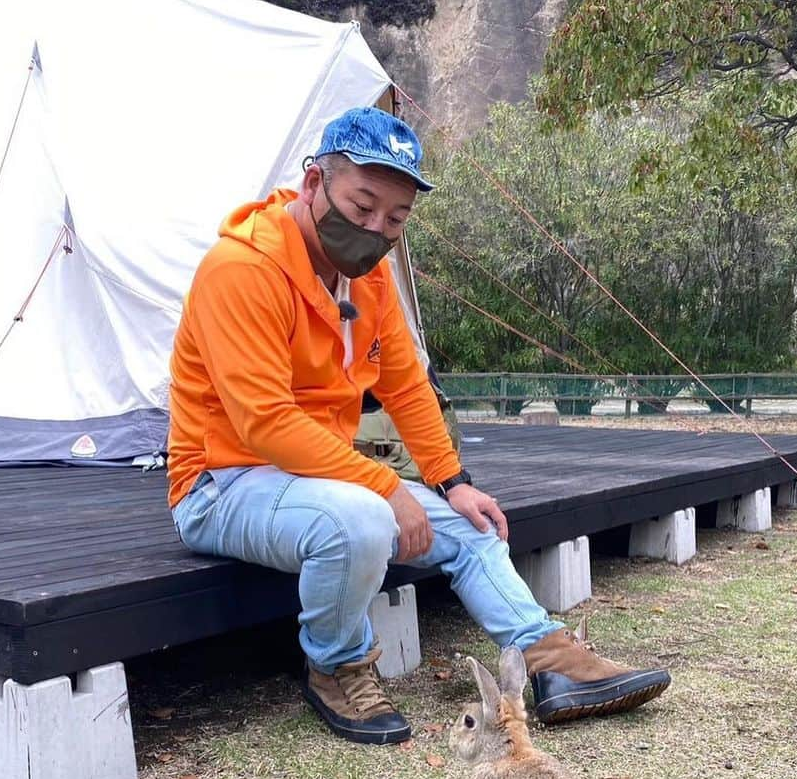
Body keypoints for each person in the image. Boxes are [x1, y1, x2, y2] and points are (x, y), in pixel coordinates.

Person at [167, 107, 670, 745]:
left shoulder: (367, 278)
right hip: (222, 484)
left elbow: (404, 384)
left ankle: (547, 657)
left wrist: (450, 479)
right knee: (361, 521)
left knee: (472, 520)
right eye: (362, 205)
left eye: (396, 218)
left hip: (314, 479)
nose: (376, 229)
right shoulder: (241, 271)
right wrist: (387, 486)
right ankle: (336, 664)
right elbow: (265, 422)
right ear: (315, 182)